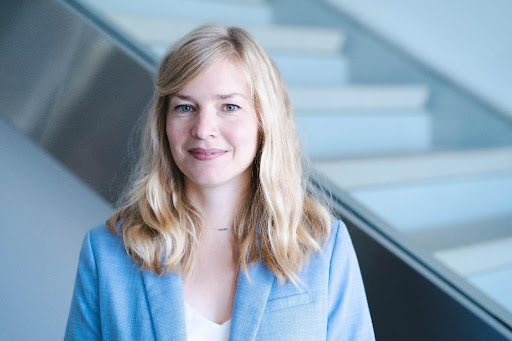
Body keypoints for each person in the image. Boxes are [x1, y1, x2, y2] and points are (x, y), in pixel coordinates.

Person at [64, 25, 375, 340]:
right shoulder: (107, 252)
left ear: (264, 121)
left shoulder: (322, 247)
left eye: (229, 107)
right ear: (163, 123)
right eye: (185, 107)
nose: (203, 129)